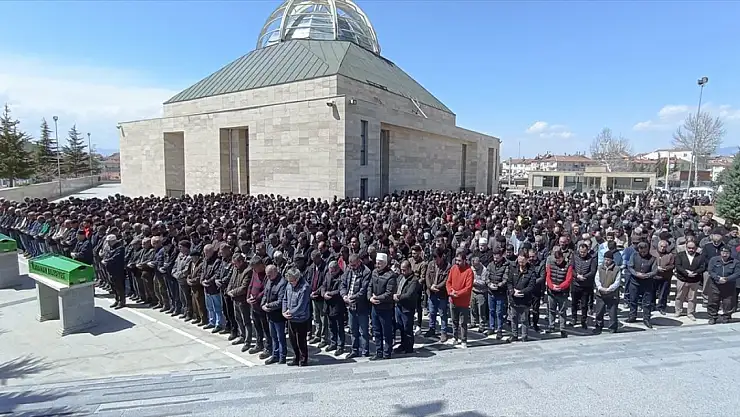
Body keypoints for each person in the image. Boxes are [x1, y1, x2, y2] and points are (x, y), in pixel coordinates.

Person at [341, 254, 371, 359]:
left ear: (359, 262)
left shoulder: (366, 272)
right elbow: (343, 284)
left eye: (354, 265)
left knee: (363, 331)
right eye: (350, 265)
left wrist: (352, 297)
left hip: (361, 305)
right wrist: (344, 295)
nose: (352, 267)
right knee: (353, 329)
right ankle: (354, 350)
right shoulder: (349, 270)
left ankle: (365, 351)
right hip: (350, 305)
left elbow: (363, 290)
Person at [369, 252, 397, 360]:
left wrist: (377, 298)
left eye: (379, 263)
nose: (377, 265)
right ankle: (378, 352)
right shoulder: (374, 272)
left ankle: (387, 352)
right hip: (375, 307)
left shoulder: (391, 275)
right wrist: (370, 298)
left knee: (386, 331)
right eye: (376, 262)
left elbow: (389, 293)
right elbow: (370, 286)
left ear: (385, 263)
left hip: (385, 308)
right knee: (376, 331)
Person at [283, 267, 311, 366]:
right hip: (290, 318)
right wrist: (284, 311)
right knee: (292, 340)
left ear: (297, 278)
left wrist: (290, 313)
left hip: (301, 319)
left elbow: (301, 306)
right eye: (289, 281)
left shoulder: (304, 287)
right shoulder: (289, 284)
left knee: (301, 341)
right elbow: (285, 299)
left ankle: (303, 359)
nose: (291, 283)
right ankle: (296, 357)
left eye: (293, 281)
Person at [627, 242, 658, 328]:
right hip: (635, 281)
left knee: (647, 302)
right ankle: (632, 316)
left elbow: (655, 271)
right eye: (641, 252)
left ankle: (646, 318)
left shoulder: (653, 258)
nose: (643, 253)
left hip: (647, 283)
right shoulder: (634, 255)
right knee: (633, 300)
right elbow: (630, 266)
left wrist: (646, 275)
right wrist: (636, 274)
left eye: (645, 252)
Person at [447, 250, 474, 348]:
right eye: (456, 260)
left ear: (464, 260)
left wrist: (457, 293)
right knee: (454, 321)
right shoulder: (453, 268)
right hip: (453, 300)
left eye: (459, 261)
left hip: (463, 302)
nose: (457, 262)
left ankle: (463, 340)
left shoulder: (469, 271)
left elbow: (468, 288)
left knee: (463, 322)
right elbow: (448, 282)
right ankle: (455, 337)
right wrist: (450, 291)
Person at [706, 246, 740, 324]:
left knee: (728, 302)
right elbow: (710, 271)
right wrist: (718, 278)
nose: (725, 255)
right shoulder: (714, 260)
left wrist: (727, 279)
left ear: (730, 253)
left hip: (729, 285)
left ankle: (726, 317)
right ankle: (712, 317)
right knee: (713, 301)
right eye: (723, 252)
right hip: (715, 285)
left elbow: (737, 273)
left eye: (727, 253)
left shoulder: (735, 262)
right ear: (720, 252)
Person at [261, 264, 288, 364]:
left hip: (278, 315)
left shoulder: (282, 283)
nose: (267, 277)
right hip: (270, 315)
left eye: (269, 275)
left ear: (275, 272)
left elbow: (280, 301)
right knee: (274, 337)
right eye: (267, 275)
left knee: (280, 337)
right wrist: (263, 305)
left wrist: (268, 305)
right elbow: (265, 294)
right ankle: (275, 355)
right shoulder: (269, 281)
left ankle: (282, 356)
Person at [226, 253, 252, 351]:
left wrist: (233, 292)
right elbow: (231, 281)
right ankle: (242, 336)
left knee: (246, 321)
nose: (234, 265)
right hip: (235, 299)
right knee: (238, 319)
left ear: (241, 262)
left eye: (235, 263)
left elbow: (244, 287)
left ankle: (248, 341)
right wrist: (228, 290)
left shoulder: (248, 271)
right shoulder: (235, 269)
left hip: (243, 300)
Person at [246, 256, 271, 359]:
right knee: (257, 327)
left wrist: (256, 298)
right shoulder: (254, 272)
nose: (254, 270)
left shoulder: (266, 274)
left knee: (265, 328)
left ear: (261, 265)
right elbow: (251, 285)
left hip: (262, 306)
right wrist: (248, 297)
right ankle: (259, 343)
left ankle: (268, 347)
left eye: (255, 267)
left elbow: (265, 289)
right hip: (254, 305)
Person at [507, 254, 536, 341]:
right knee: (513, 318)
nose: (521, 263)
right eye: (519, 261)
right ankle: (514, 335)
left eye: (522, 261)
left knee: (524, 320)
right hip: (514, 299)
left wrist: (521, 292)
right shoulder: (513, 269)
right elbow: (509, 282)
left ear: (526, 260)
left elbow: (531, 286)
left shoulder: (531, 271)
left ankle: (524, 336)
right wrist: (512, 291)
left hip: (525, 300)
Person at [394, 260, 421, 354]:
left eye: (404, 270)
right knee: (401, 328)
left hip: (407, 308)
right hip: (399, 307)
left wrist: (398, 297)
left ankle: (409, 347)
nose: (402, 272)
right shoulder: (401, 277)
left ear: (409, 269)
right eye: (401, 270)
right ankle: (403, 345)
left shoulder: (414, 280)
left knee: (407, 329)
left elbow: (409, 294)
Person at [424, 248, 451, 342]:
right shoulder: (431, 264)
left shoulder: (447, 266)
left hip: (441, 293)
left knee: (443, 313)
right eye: (434, 258)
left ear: (442, 257)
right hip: (431, 293)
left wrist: (437, 287)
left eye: (437, 258)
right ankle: (432, 328)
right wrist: (430, 286)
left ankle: (444, 332)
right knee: (432, 312)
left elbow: (446, 280)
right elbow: (427, 276)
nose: (435, 260)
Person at [674, 240, 705, 320]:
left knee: (692, 298)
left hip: (694, 280)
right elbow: (678, 265)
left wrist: (695, 272)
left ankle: (690, 313)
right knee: (679, 296)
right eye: (689, 248)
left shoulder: (700, 256)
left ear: (696, 248)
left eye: (693, 248)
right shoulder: (680, 255)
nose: (691, 250)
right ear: (686, 247)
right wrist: (686, 273)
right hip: (682, 279)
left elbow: (702, 267)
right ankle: (678, 311)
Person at [545, 247, 571, 338]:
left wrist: (560, 287)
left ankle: (562, 328)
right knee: (551, 310)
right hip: (552, 291)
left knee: (562, 311)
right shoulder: (551, 264)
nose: (558, 262)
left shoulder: (568, 265)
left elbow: (568, 279)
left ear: (562, 258)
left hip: (562, 292)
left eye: (559, 260)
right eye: (556, 260)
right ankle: (551, 326)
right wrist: (552, 286)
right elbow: (548, 277)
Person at [321, 261, 346, 355]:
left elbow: (341, 290)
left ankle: (340, 346)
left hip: (337, 305)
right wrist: (323, 294)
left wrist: (330, 294)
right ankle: (333, 343)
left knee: (339, 326)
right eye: (330, 271)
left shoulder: (342, 276)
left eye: (332, 271)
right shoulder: (328, 274)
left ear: (337, 269)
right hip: (328, 304)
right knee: (331, 325)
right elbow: (323, 285)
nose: (331, 273)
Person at [593, 250, 621, 334]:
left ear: (612, 260)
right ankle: (598, 326)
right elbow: (597, 279)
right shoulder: (600, 267)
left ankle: (613, 327)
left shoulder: (617, 269)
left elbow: (617, 282)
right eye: (605, 259)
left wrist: (609, 289)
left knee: (612, 312)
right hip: (600, 293)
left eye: (608, 260)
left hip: (612, 294)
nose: (606, 261)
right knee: (599, 312)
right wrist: (600, 288)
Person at [486, 248, 509, 339]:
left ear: (501, 256)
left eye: (497, 258)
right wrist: (489, 284)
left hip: (500, 292)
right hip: (490, 291)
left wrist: (499, 285)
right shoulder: (490, 265)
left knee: (499, 312)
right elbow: (486, 276)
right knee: (491, 310)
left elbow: (506, 278)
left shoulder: (506, 266)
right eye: (494, 257)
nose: (495, 259)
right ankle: (491, 327)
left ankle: (499, 329)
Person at [102, 234, 126, 309]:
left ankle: (122, 301)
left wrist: (107, 261)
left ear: (113, 241)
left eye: (109, 241)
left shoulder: (120, 248)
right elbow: (107, 255)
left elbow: (116, 258)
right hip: (110, 270)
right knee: (113, 286)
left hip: (118, 271)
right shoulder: (110, 248)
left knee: (119, 287)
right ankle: (117, 299)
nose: (108, 243)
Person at [469, 256, 489, 333]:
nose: (475, 267)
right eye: (473, 265)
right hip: (473, 291)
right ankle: (473, 322)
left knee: (481, 310)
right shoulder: (471, 268)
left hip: (481, 292)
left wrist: (474, 281)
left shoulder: (484, 270)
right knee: (472, 307)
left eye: (476, 265)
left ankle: (482, 325)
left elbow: (483, 282)